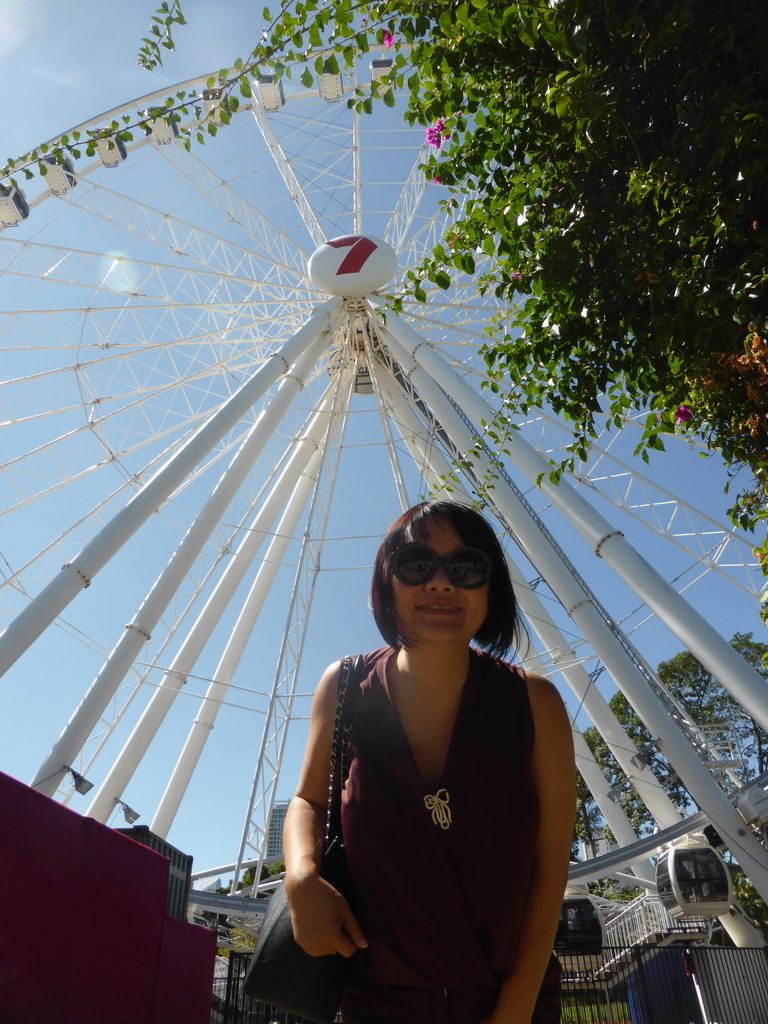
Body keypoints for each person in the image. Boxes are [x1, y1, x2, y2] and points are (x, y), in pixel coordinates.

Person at [283, 500, 576, 1024]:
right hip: (377, 1000)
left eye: (467, 568)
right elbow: (309, 799)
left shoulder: (536, 704)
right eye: (416, 564)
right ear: (386, 582)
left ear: (493, 588)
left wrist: (513, 1012)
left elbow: (550, 866)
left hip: (512, 1001)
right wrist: (301, 877)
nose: (441, 584)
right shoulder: (344, 688)